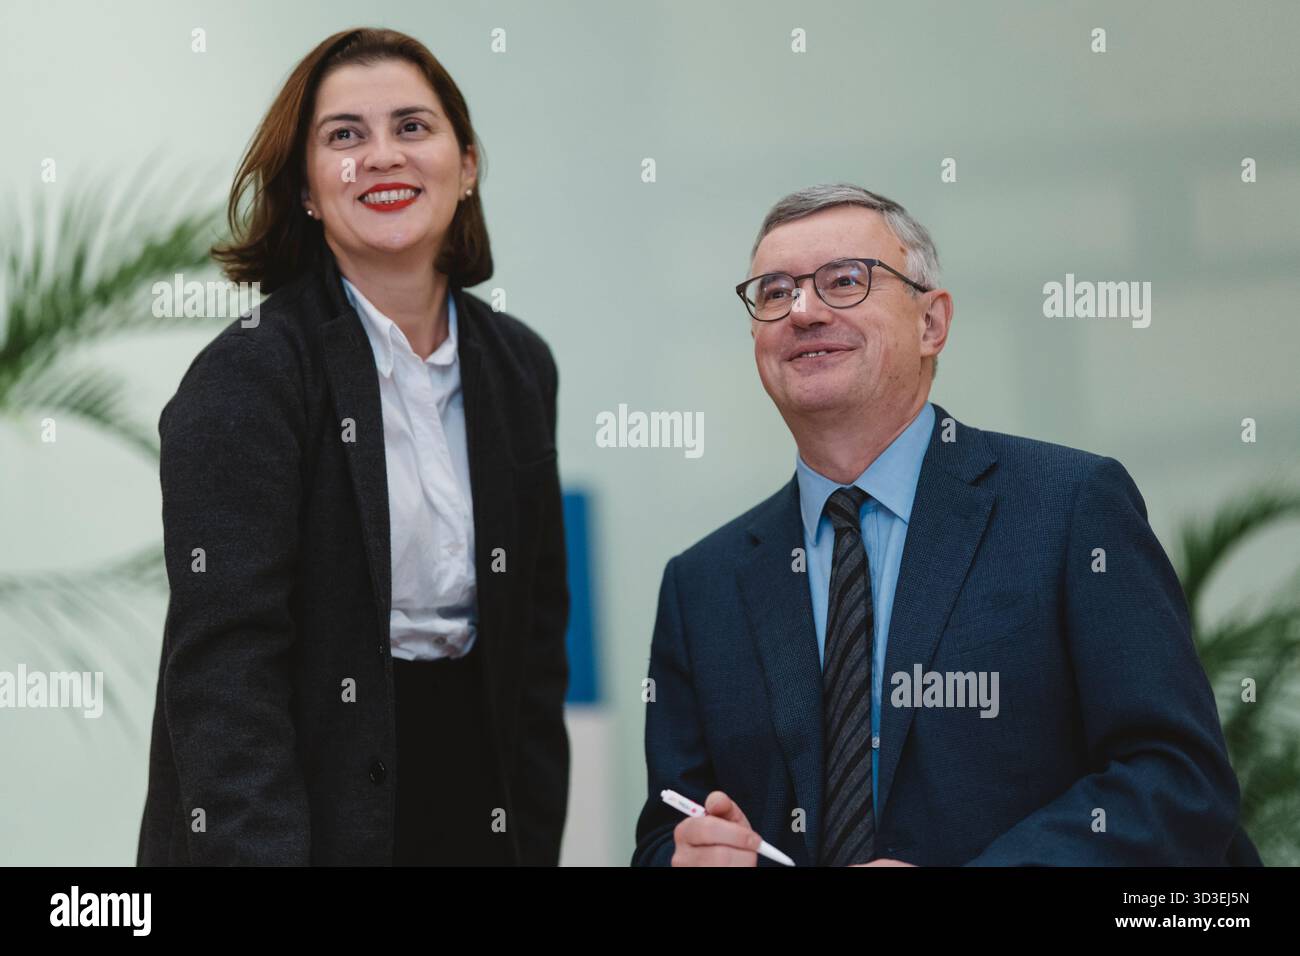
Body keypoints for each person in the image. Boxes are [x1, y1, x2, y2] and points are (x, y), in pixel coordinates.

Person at [632, 183, 1259, 866]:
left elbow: (1177, 779)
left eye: (844, 280)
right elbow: (668, 823)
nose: (804, 311)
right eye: (775, 292)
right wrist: (685, 858)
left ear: (931, 323)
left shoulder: (1072, 508)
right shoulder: (702, 585)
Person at [137, 27, 570, 866]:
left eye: (413, 127)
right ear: (305, 187)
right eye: (345, 136)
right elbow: (227, 677)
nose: (382, 157)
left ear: (467, 164)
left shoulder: (520, 367)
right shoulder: (249, 375)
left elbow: (535, 650)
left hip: (478, 803)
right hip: (302, 806)